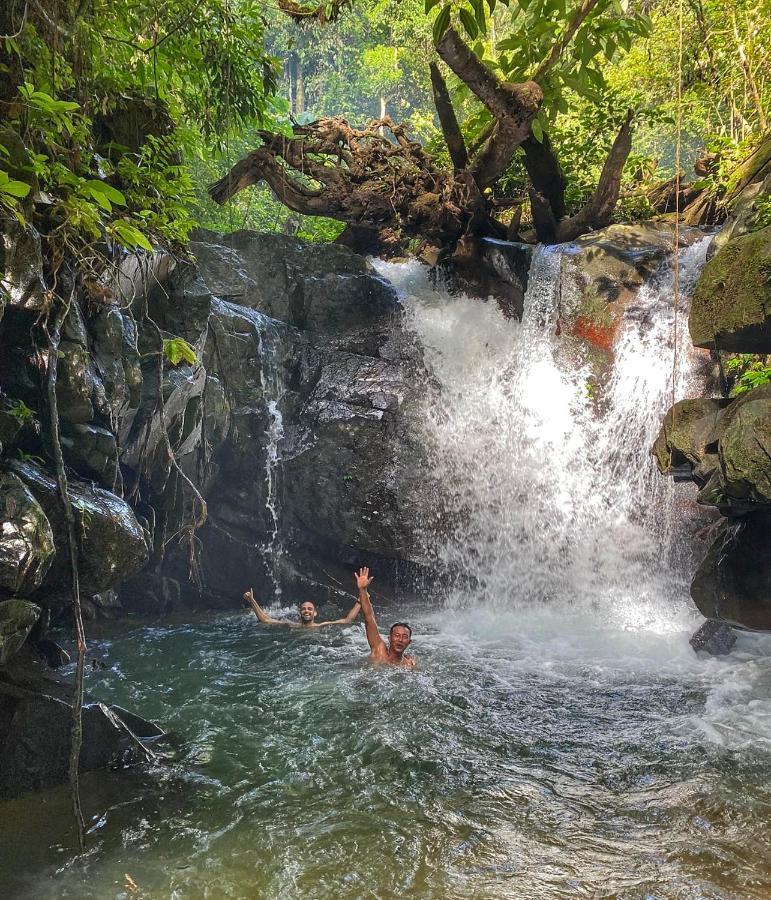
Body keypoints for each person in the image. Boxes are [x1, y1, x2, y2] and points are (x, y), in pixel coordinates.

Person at [354, 566, 415, 668]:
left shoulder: (409, 665)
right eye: (396, 635)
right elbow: (369, 619)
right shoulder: (379, 651)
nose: (400, 640)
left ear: (409, 642)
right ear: (389, 638)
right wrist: (363, 590)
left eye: (404, 637)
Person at [242, 589, 361, 629]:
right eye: (303, 609)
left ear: (315, 613)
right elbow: (266, 620)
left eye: (310, 609)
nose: (306, 611)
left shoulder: (321, 626)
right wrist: (252, 601)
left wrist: (361, 601)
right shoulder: (291, 625)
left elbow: (347, 620)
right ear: (300, 612)